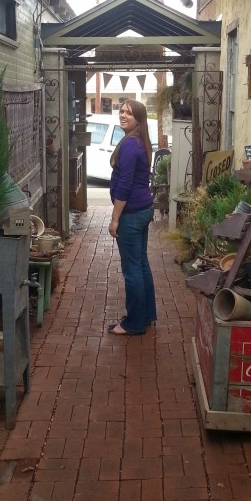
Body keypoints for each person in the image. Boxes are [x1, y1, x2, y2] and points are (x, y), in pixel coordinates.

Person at [107, 100, 157, 336]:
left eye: (129, 112)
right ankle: (145, 315)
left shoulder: (129, 145)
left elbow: (125, 184)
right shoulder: (139, 141)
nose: (123, 115)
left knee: (132, 269)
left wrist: (115, 218)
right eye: (122, 111)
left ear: (139, 119)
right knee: (141, 264)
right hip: (143, 209)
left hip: (132, 214)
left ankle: (134, 323)